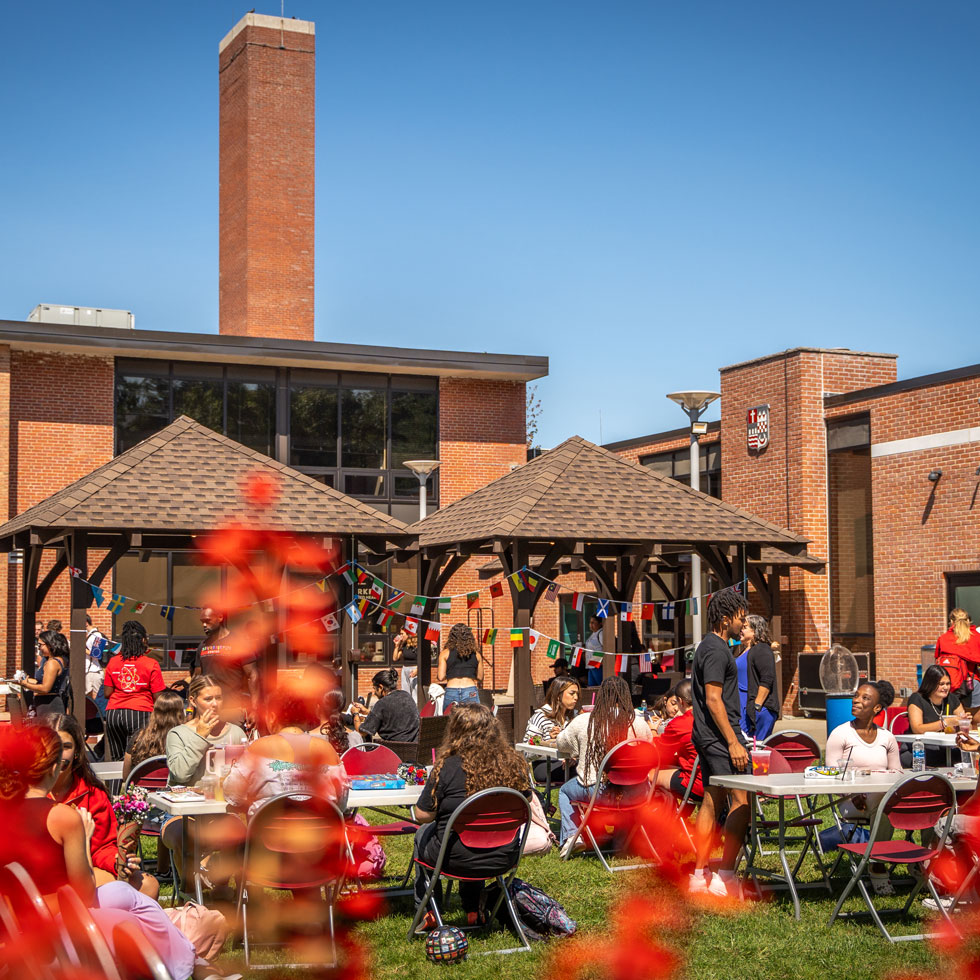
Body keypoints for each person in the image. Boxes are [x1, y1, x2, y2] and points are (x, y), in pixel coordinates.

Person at [411, 705, 531, 925]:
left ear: (455, 731)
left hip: (455, 858)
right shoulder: (514, 764)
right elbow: (527, 800)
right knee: (474, 833)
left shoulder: (447, 767)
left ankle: (428, 910)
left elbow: (422, 815)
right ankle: (474, 910)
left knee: (423, 834)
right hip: (503, 856)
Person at [43, 713, 159, 900]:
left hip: (84, 870)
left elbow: (103, 847)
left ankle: (119, 928)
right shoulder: (26, 792)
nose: (57, 754)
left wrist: (118, 861)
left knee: (147, 885)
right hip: (40, 876)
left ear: (77, 752)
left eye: (65, 747)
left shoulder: (93, 794)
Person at [689, 589, 750, 897]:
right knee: (742, 802)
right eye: (741, 618)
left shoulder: (714, 647)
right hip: (720, 737)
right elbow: (713, 699)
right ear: (726, 620)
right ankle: (726, 875)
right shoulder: (715, 649)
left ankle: (699, 875)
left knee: (712, 800)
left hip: (710, 736)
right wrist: (733, 742)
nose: (744, 623)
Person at [556, 675, 653, 855]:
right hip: (635, 792)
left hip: (597, 791)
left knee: (564, 791)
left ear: (601, 695)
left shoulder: (585, 721)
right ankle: (625, 841)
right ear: (626, 696)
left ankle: (572, 836)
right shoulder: (638, 722)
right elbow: (650, 749)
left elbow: (561, 743)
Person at [223, 682, 348, 818]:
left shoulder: (257, 749)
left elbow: (232, 794)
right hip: (321, 836)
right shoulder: (327, 750)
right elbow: (341, 803)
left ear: (271, 717)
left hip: (267, 837)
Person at [825, 681, 902, 895]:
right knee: (886, 807)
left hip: (881, 800)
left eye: (865, 698)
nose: (857, 700)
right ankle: (877, 865)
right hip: (851, 802)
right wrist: (851, 794)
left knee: (895, 805)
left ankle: (925, 863)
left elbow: (897, 773)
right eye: (856, 696)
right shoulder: (841, 734)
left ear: (877, 708)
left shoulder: (887, 737)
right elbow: (832, 775)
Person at [166, 675, 247, 787]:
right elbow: (180, 774)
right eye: (208, 699)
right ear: (193, 701)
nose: (215, 704)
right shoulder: (178, 734)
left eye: (218, 698)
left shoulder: (236, 733)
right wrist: (200, 736)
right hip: (190, 802)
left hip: (225, 800)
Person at [103, 620, 165, 761]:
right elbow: (158, 697)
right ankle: (135, 783)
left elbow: (107, 693)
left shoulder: (113, 661)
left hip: (114, 712)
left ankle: (114, 784)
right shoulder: (151, 663)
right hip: (140, 712)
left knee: (116, 759)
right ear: (143, 640)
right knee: (137, 757)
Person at [187, 607, 260, 725]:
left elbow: (253, 675)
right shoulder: (202, 646)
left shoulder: (239, 643)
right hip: (207, 712)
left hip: (232, 711)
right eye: (202, 622)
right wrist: (190, 710)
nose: (204, 625)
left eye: (207, 621)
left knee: (232, 743)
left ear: (220, 618)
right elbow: (196, 680)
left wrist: (255, 710)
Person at [902, 665, 965, 767]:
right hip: (920, 750)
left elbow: (964, 725)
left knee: (965, 756)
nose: (945, 687)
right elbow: (917, 728)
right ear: (930, 684)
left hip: (947, 749)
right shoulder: (917, 699)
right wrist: (944, 724)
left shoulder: (952, 699)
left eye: (948, 684)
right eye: (941, 684)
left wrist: (964, 722)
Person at [122, 688, 186, 783]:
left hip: (143, 794)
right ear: (180, 713)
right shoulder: (186, 739)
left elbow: (126, 776)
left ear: (155, 712)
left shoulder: (138, 738)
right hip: (176, 794)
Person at [523, 676, 581, 783]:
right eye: (572, 693)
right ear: (558, 695)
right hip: (545, 764)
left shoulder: (575, 718)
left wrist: (573, 757)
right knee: (582, 771)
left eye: (577, 694)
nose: (576, 697)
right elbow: (526, 752)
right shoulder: (541, 716)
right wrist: (547, 742)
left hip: (569, 763)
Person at [653, 680, 703, 802]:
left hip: (694, 782)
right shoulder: (708, 716)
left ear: (681, 701)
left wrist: (653, 730)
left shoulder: (680, 724)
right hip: (716, 779)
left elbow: (659, 754)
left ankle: (662, 816)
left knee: (649, 774)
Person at [351, 667, 420, 742]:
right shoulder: (406, 695)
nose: (374, 693)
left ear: (380, 687)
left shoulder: (382, 703)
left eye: (375, 688)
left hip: (394, 749)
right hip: (414, 746)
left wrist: (355, 713)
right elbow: (392, 714)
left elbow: (361, 732)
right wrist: (367, 712)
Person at [935, 609, 980, 722]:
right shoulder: (976, 637)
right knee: (974, 721)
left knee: (954, 721)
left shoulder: (943, 638)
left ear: (951, 621)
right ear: (968, 620)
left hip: (950, 684)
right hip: (971, 683)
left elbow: (937, 658)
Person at [18, 628, 71, 716]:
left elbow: (45, 688)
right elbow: (40, 682)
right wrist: (21, 682)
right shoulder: (53, 660)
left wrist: (26, 685)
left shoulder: (52, 663)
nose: (39, 648)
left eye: (40, 645)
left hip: (49, 705)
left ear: (49, 645)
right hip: (46, 704)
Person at [742, 614, 779, 740]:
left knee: (756, 751)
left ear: (755, 630)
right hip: (744, 707)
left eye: (745, 627)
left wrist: (756, 706)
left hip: (758, 709)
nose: (741, 629)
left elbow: (767, 678)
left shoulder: (761, 649)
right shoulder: (745, 650)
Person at [437, 623, 484, 709]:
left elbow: (441, 677)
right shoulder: (477, 655)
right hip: (470, 689)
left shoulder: (445, 653)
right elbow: (480, 677)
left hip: (452, 689)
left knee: (451, 720)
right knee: (473, 720)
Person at [85, 614, 108, 701]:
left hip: (94, 671)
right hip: (90, 670)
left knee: (96, 697)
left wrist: (82, 648)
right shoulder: (90, 635)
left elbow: (97, 654)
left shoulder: (97, 635)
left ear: (86, 623)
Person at [393, 630, 419, 697]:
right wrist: (396, 646)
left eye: (402, 634)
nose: (400, 636)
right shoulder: (404, 645)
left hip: (414, 669)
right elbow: (395, 658)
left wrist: (417, 669)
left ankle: (415, 706)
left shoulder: (417, 645)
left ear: (408, 634)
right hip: (405, 669)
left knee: (415, 692)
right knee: (405, 692)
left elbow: (422, 659)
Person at [585, 615, 605, 687]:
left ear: (600, 623)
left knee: (600, 685)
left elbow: (606, 648)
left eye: (593, 622)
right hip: (591, 664)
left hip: (597, 662)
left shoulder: (601, 633)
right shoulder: (593, 634)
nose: (591, 625)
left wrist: (603, 660)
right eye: (590, 622)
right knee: (591, 687)